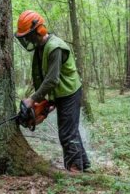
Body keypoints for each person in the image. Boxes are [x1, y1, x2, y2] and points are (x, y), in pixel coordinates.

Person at [15, 10, 91, 173]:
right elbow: (42, 76)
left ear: (39, 30)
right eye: (25, 37)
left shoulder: (54, 47)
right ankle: (83, 163)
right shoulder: (40, 48)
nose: (27, 39)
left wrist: (33, 99)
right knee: (70, 130)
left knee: (66, 133)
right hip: (59, 92)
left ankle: (75, 169)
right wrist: (47, 102)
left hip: (69, 92)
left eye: (29, 35)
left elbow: (52, 79)